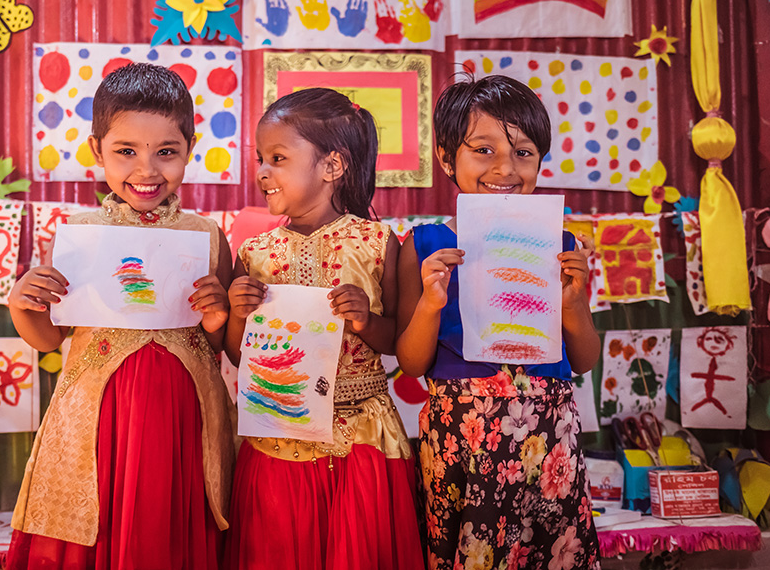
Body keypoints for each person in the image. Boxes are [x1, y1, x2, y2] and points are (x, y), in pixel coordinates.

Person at [6, 63, 234, 570]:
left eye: (166, 152)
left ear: (189, 151)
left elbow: (218, 345)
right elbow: (47, 339)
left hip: (183, 416)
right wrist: (22, 305)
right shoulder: (78, 236)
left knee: (170, 522)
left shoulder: (208, 236)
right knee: (101, 518)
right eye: (126, 152)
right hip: (101, 415)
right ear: (97, 151)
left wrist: (218, 321)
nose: (146, 170)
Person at [396, 75, 601, 570]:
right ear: (447, 158)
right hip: (462, 436)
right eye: (483, 150)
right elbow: (410, 363)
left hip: (549, 437)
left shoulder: (561, 244)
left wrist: (572, 304)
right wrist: (430, 301)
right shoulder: (422, 246)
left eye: (524, 153)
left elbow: (585, 360)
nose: (505, 168)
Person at [222, 88, 423, 570]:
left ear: (332, 166)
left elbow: (399, 342)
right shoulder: (254, 253)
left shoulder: (376, 243)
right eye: (259, 159)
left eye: (277, 158)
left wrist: (365, 319)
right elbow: (235, 355)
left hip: (361, 438)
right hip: (275, 436)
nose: (262, 172)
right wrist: (235, 313)